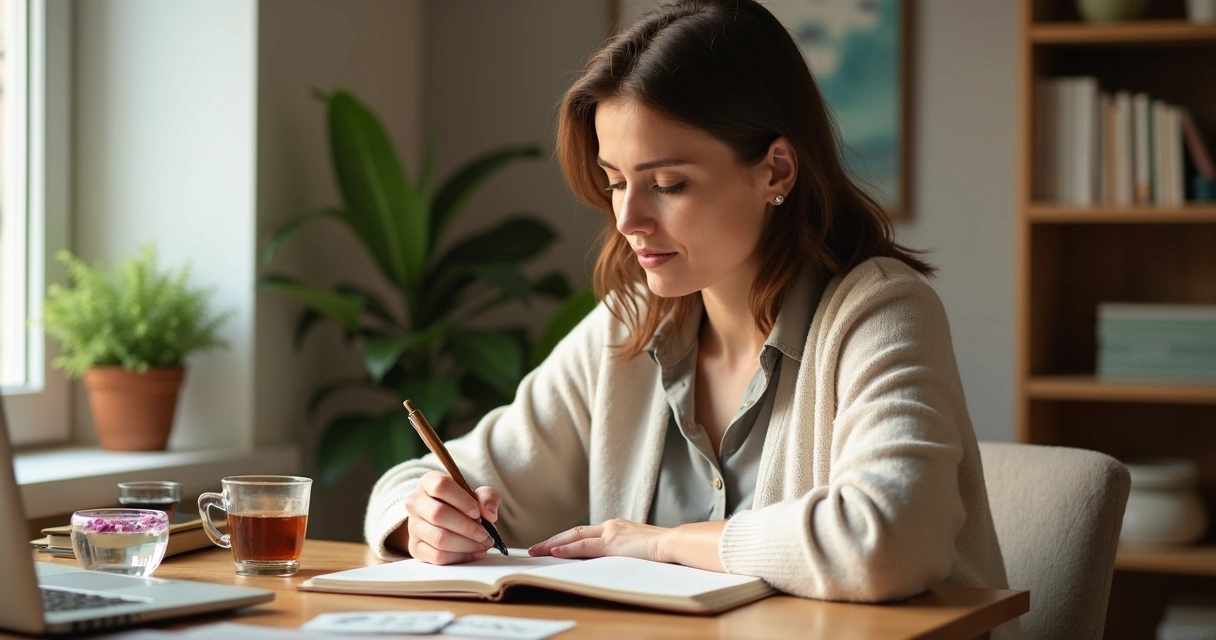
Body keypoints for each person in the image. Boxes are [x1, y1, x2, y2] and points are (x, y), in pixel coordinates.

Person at [364, 1, 1015, 633]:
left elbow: (890, 540)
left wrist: (664, 545)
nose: (627, 220)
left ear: (775, 171)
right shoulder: (630, 326)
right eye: (615, 180)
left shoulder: (880, 312)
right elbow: (419, 479)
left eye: (668, 184)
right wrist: (422, 517)